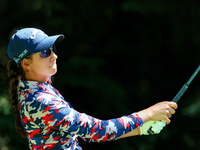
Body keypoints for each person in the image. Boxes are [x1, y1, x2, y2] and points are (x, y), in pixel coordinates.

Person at [6, 28, 177, 150]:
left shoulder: (33, 89)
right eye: (44, 53)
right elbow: (97, 131)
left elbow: (82, 132)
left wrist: (139, 129)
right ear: (26, 63)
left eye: (52, 49)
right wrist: (148, 113)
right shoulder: (41, 101)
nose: (54, 55)